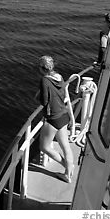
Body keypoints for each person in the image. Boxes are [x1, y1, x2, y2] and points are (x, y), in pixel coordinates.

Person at [37, 55, 74, 183]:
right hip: (64, 115)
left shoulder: (44, 80)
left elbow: (44, 101)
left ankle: (66, 166)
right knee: (66, 147)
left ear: (42, 68)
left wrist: (38, 96)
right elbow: (62, 93)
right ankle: (68, 173)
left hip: (53, 118)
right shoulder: (59, 77)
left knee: (44, 147)